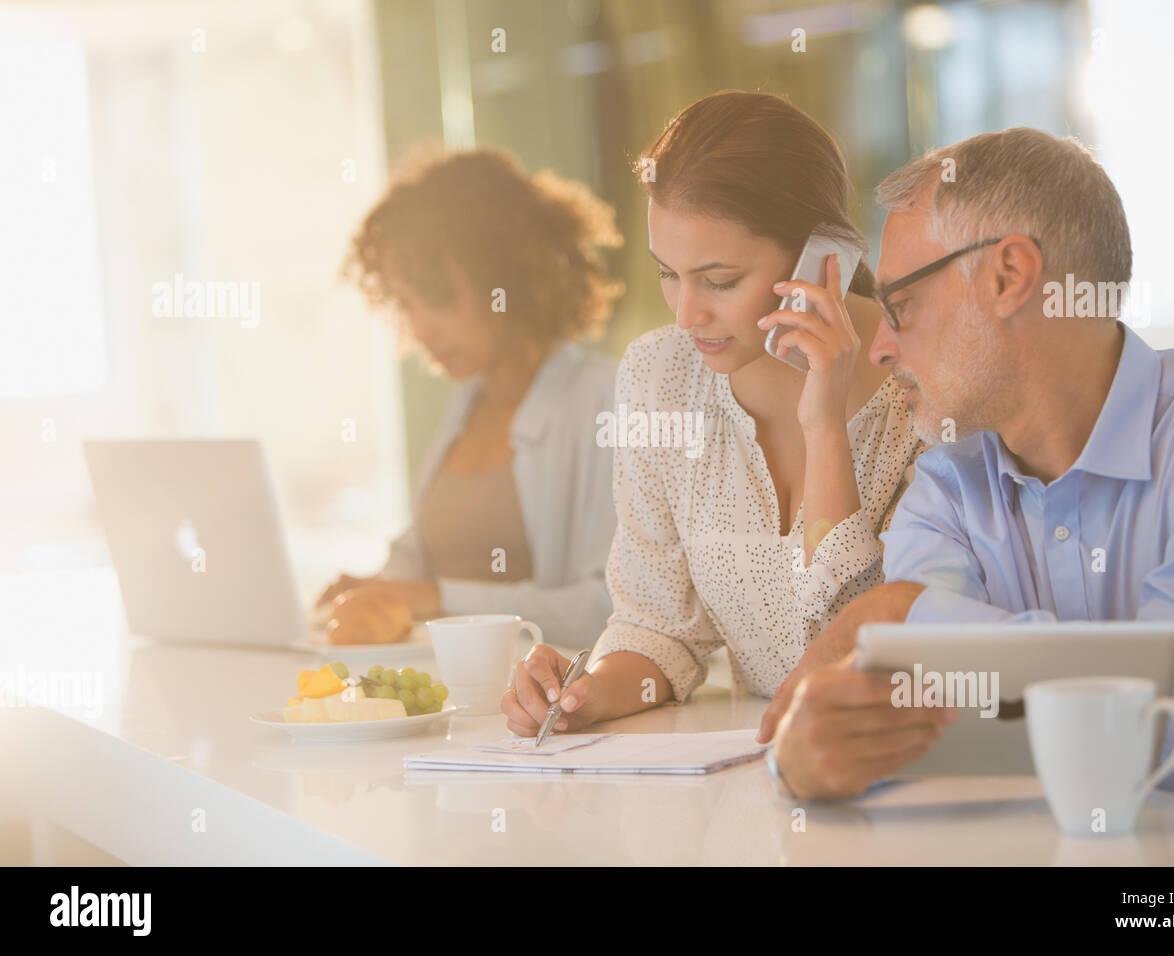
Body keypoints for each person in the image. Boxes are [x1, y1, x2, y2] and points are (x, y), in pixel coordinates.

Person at [766, 127, 1174, 821]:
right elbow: (920, 736)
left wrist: (899, 611)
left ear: (1009, 276)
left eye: (900, 305)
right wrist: (806, 759)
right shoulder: (946, 492)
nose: (880, 347)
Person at [502, 91, 925, 737]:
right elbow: (659, 627)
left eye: (719, 281)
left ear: (825, 258)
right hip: (747, 779)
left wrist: (824, 426)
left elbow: (860, 649)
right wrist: (582, 693)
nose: (686, 315)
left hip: (893, 761)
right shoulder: (659, 376)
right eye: (668, 274)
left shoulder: (923, 387)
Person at [317, 146, 623, 649]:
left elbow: (607, 607)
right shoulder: (468, 402)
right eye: (405, 304)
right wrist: (375, 588)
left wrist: (435, 597)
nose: (419, 328)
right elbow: (425, 553)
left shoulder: (605, 399)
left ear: (507, 277)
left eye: (437, 297)